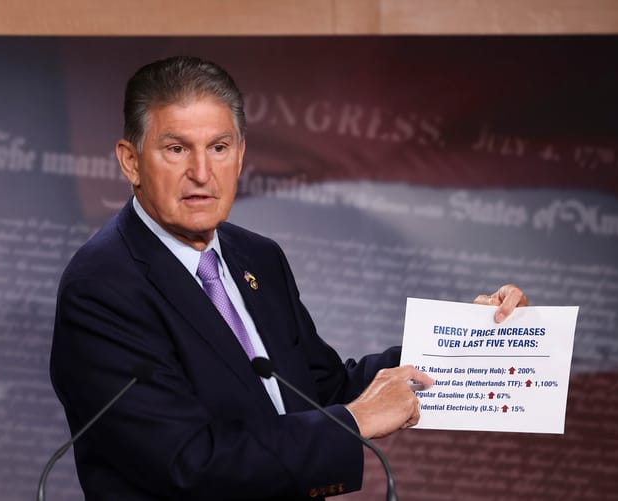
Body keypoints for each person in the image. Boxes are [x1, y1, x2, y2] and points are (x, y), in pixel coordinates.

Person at [49, 56, 528, 500]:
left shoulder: (257, 256)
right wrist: (353, 421)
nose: (201, 172)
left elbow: (317, 389)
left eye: (218, 147)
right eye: (176, 149)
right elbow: (186, 462)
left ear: (239, 154)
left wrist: (467, 339)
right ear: (130, 160)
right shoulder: (102, 287)